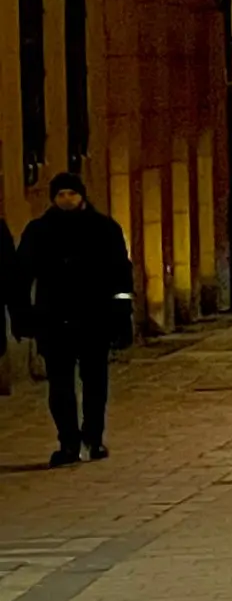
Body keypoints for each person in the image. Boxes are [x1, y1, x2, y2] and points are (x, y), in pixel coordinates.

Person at [23, 172, 134, 465]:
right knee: (60, 385)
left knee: (95, 382)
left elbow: (121, 274)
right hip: (54, 319)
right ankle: (68, 441)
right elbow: (22, 274)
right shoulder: (39, 231)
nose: (66, 199)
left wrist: (122, 315)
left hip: (95, 317)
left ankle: (93, 438)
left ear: (82, 195)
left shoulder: (105, 229)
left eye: (71, 193)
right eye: (60, 195)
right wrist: (25, 315)